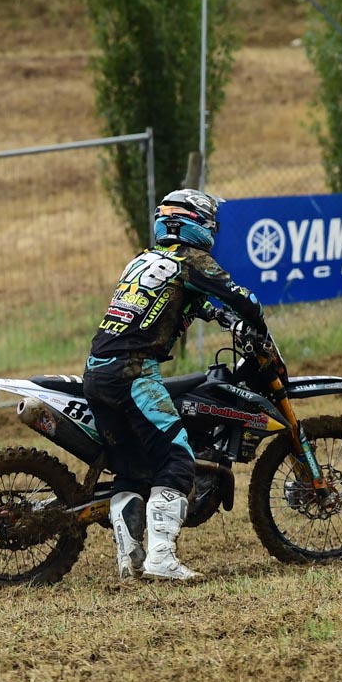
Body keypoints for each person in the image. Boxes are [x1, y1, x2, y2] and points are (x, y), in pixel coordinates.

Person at [83, 189, 268, 582]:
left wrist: (217, 316)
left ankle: (130, 560)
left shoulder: (142, 260)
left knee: (132, 471)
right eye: (209, 220)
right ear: (194, 223)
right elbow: (242, 299)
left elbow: (182, 300)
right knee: (178, 459)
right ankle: (161, 558)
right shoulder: (191, 259)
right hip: (134, 372)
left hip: (97, 372)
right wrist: (254, 319)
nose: (213, 227)